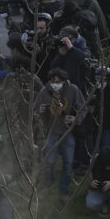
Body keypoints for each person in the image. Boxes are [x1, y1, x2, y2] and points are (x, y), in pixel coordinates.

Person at [33, 68, 86, 199]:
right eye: (52, 81)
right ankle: (47, 185)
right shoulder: (44, 92)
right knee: (49, 161)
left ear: (64, 81)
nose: (55, 84)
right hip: (51, 132)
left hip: (68, 132)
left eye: (58, 82)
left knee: (68, 163)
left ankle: (64, 191)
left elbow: (83, 108)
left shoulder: (73, 90)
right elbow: (34, 111)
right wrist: (39, 112)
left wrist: (75, 118)